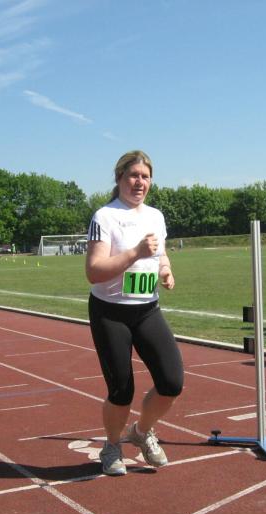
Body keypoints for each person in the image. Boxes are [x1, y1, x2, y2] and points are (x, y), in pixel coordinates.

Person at [85, 150, 184, 476]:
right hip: (110, 313)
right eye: (133, 175)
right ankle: (112, 446)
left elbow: (160, 254)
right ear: (119, 178)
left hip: (147, 309)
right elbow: (94, 271)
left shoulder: (155, 216)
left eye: (145, 176)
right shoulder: (105, 216)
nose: (139, 182)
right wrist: (135, 253)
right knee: (121, 391)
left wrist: (165, 270)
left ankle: (141, 432)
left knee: (171, 382)